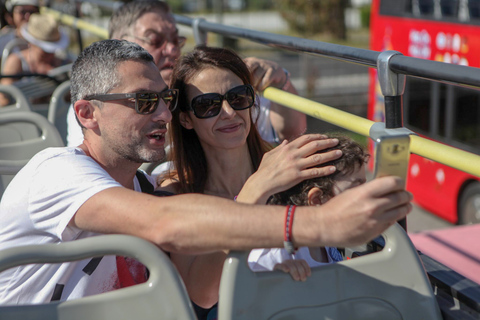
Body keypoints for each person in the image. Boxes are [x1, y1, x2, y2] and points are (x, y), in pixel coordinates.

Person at [0, 39, 412, 305]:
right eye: (144, 101)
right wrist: (319, 223)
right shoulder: (56, 173)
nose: (162, 112)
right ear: (87, 113)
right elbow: (167, 228)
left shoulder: (144, 189)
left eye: (164, 99)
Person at [154, 46, 368, 319]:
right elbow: (202, 295)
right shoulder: (177, 195)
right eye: (208, 105)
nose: (230, 112)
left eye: (238, 96)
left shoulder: (288, 166)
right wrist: (255, 189)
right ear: (185, 119)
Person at [66, 0, 306, 147]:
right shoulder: (97, 104)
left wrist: (280, 79)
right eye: (155, 40)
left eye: (176, 40)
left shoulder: (206, 88)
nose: (172, 49)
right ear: (120, 43)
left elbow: (292, 132)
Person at [248, 135, 369, 281]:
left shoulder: (326, 240)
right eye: (356, 189)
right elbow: (245, 282)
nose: (367, 196)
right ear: (317, 200)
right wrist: (275, 275)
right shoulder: (279, 252)